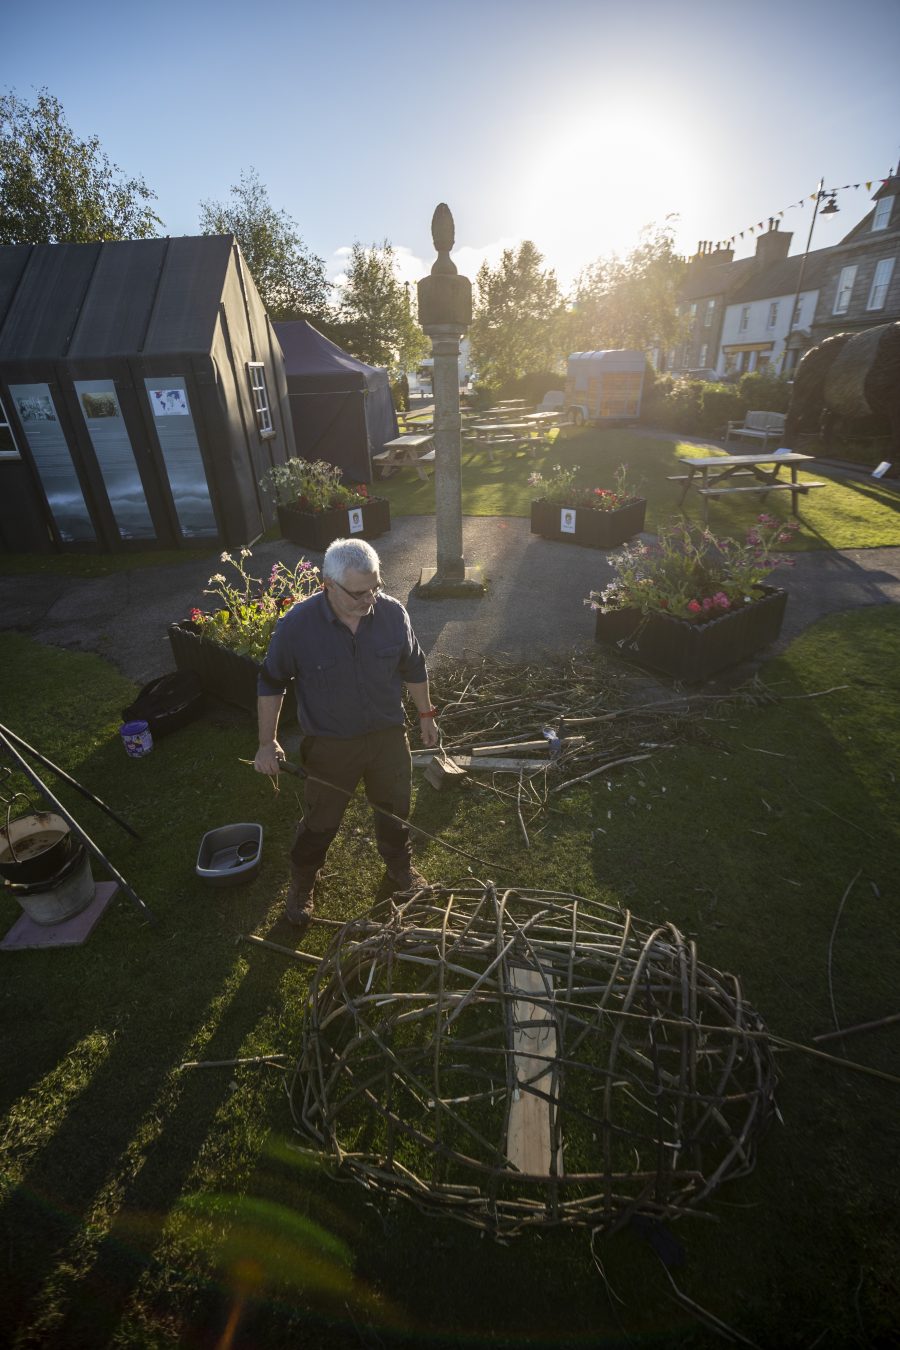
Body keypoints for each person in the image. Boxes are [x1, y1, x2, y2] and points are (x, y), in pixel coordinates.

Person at [254, 537, 439, 930]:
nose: (369, 599)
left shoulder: (392, 614)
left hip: (389, 739)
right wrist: (267, 741)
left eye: (375, 587)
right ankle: (303, 878)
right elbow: (271, 681)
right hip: (331, 746)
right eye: (359, 592)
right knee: (322, 821)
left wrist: (426, 713)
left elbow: (414, 665)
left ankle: (398, 867)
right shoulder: (297, 627)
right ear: (328, 585)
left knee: (394, 810)